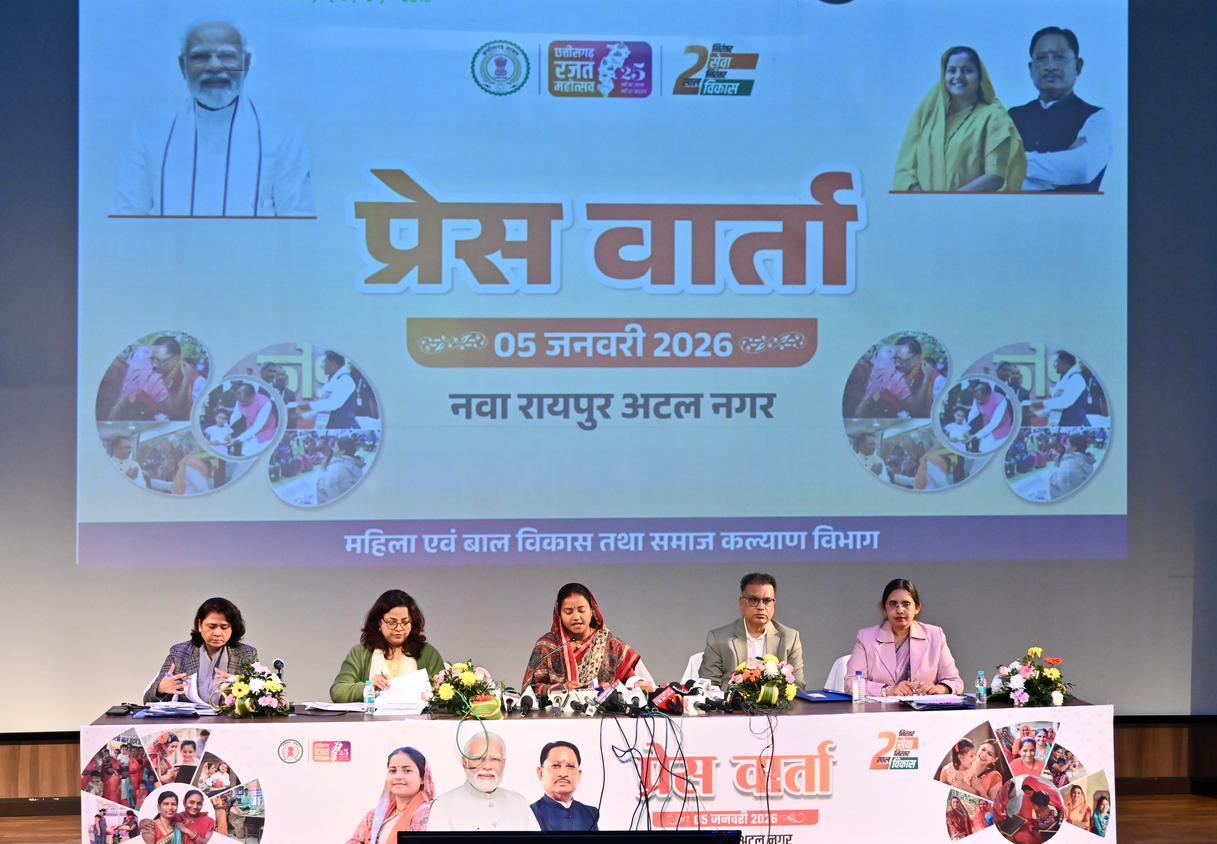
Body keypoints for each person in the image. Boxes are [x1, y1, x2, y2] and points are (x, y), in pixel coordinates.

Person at [112, 20, 314, 217]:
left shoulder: (281, 132)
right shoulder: (149, 132)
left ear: (246, 63)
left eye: (227, 56)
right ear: (183, 66)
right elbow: (126, 216)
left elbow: (299, 218)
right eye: (200, 57)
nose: (214, 66)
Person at [894, 46, 1026, 192]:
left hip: (975, 205)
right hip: (925, 205)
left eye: (967, 71)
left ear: (980, 77)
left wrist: (951, 201)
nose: (958, 76)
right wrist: (921, 199)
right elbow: (905, 169)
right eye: (952, 70)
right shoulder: (930, 115)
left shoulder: (994, 116)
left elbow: (995, 176)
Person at [1009, 27, 1111, 192]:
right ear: (1030, 69)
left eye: (1059, 58)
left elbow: (1082, 168)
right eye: (1041, 59)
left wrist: (1014, 164)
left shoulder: (1096, 117)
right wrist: (1062, 167)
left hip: (1075, 209)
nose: (1050, 66)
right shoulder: (1012, 117)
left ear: (1078, 66)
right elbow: (989, 172)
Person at [522, 582, 653, 695]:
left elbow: (633, 679)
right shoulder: (546, 646)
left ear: (592, 611)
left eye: (581, 610)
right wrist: (560, 688)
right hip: (555, 715)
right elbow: (530, 690)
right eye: (568, 612)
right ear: (559, 615)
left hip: (603, 715)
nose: (576, 617)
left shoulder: (611, 645)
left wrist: (636, 683)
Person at [846, 578, 963, 696]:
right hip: (882, 707)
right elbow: (851, 683)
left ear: (917, 608)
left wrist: (941, 688)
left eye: (906, 604)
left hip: (923, 706)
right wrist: (888, 690)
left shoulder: (935, 635)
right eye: (893, 604)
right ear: (884, 609)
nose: (900, 610)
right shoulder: (866, 638)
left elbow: (955, 681)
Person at [330, 590, 445, 702]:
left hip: (416, 716)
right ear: (379, 622)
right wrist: (369, 687)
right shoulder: (360, 653)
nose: (399, 628)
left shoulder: (427, 653)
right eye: (392, 622)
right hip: (373, 716)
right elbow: (338, 692)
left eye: (405, 622)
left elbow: (444, 692)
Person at [699, 573, 805, 689]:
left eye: (767, 600)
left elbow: (797, 685)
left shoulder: (790, 638)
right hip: (731, 700)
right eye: (753, 600)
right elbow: (708, 685)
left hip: (776, 701)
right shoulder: (718, 639)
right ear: (742, 603)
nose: (761, 607)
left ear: (774, 604)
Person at [144, 598, 258, 705]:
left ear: (232, 628)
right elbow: (148, 700)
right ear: (200, 625)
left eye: (224, 627)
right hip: (190, 719)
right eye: (211, 626)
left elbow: (259, 700)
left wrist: (237, 683)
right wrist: (160, 689)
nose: (217, 633)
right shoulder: (179, 653)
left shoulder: (247, 654)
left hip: (229, 718)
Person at [428, 733, 540, 831]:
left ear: (504, 764)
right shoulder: (443, 806)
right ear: (465, 762)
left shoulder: (519, 803)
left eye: (495, 759)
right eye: (478, 758)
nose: (487, 766)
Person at [347, 746, 435, 842]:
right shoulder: (373, 817)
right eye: (393, 771)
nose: (398, 776)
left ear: (422, 778)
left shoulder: (430, 814)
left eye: (407, 771)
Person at [109, 338, 205, 421]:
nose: (155, 364)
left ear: (176, 359)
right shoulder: (149, 373)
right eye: (153, 359)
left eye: (160, 360)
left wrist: (186, 379)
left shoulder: (197, 381)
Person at [854, 337, 946, 418]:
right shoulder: (894, 376)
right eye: (895, 358)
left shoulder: (883, 354)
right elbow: (914, 409)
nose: (897, 364)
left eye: (901, 360)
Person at [531, 741, 599, 831]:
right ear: (540, 773)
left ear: (579, 775)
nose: (563, 774)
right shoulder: (529, 813)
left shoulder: (591, 813)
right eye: (555, 765)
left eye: (570, 766)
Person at [298, 351, 359, 429]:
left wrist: (307, 406)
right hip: (331, 428)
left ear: (333, 363)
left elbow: (332, 404)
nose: (323, 366)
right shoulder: (332, 380)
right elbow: (322, 410)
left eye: (325, 362)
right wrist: (301, 416)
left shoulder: (345, 380)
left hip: (342, 429)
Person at [1029, 350, 1089, 427]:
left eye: (1057, 362)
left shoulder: (1076, 378)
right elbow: (1055, 406)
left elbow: (1065, 402)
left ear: (1065, 363)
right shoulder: (1062, 381)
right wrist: (1036, 414)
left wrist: (1041, 404)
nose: (1056, 365)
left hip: (1075, 426)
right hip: (1062, 425)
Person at [316, 436, 365, 504]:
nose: (333, 449)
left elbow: (331, 495)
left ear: (342, 451)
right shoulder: (354, 464)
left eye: (335, 447)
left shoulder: (337, 470)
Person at [966, 381, 1013, 453]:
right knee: (983, 452)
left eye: (979, 399)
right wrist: (965, 428)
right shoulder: (977, 398)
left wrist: (976, 436)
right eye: (976, 398)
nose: (977, 401)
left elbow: (994, 423)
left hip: (1002, 433)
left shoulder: (1001, 401)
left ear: (988, 395)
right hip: (986, 431)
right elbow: (972, 414)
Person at [1049, 433, 1095, 499]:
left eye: (1067, 444)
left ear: (1074, 448)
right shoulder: (1084, 459)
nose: (1065, 446)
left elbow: (1069, 494)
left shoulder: (1069, 468)